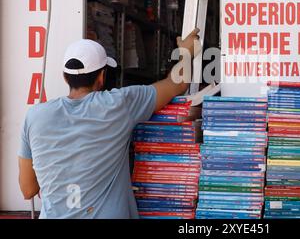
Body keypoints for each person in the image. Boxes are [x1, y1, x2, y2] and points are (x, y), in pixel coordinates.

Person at [17, 28, 200, 219]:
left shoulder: (35, 116)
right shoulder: (118, 105)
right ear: (101, 77)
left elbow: (28, 189)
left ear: (65, 77)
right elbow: (177, 83)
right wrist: (186, 53)